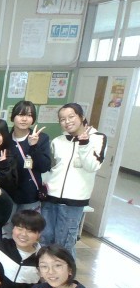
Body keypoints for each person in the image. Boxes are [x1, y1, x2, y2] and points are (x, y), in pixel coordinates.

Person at [41, 103, 107, 257]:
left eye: (71, 117)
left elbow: (92, 166)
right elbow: (51, 168)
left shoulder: (97, 138)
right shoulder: (58, 141)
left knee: (64, 245)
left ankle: (67, 273)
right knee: (45, 240)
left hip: (73, 202)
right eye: (62, 119)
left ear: (81, 117)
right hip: (50, 199)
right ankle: (46, 271)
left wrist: (84, 144)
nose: (67, 121)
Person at [4, 101, 51, 238]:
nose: (24, 119)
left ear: (33, 119)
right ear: (13, 117)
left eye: (29, 115)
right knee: (7, 231)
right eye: (20, 115)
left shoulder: (41, 138)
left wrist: (33, 146)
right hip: (9, 194)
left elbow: (44, 166)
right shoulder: (5, 139)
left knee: (28, 232)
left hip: (30, 195)